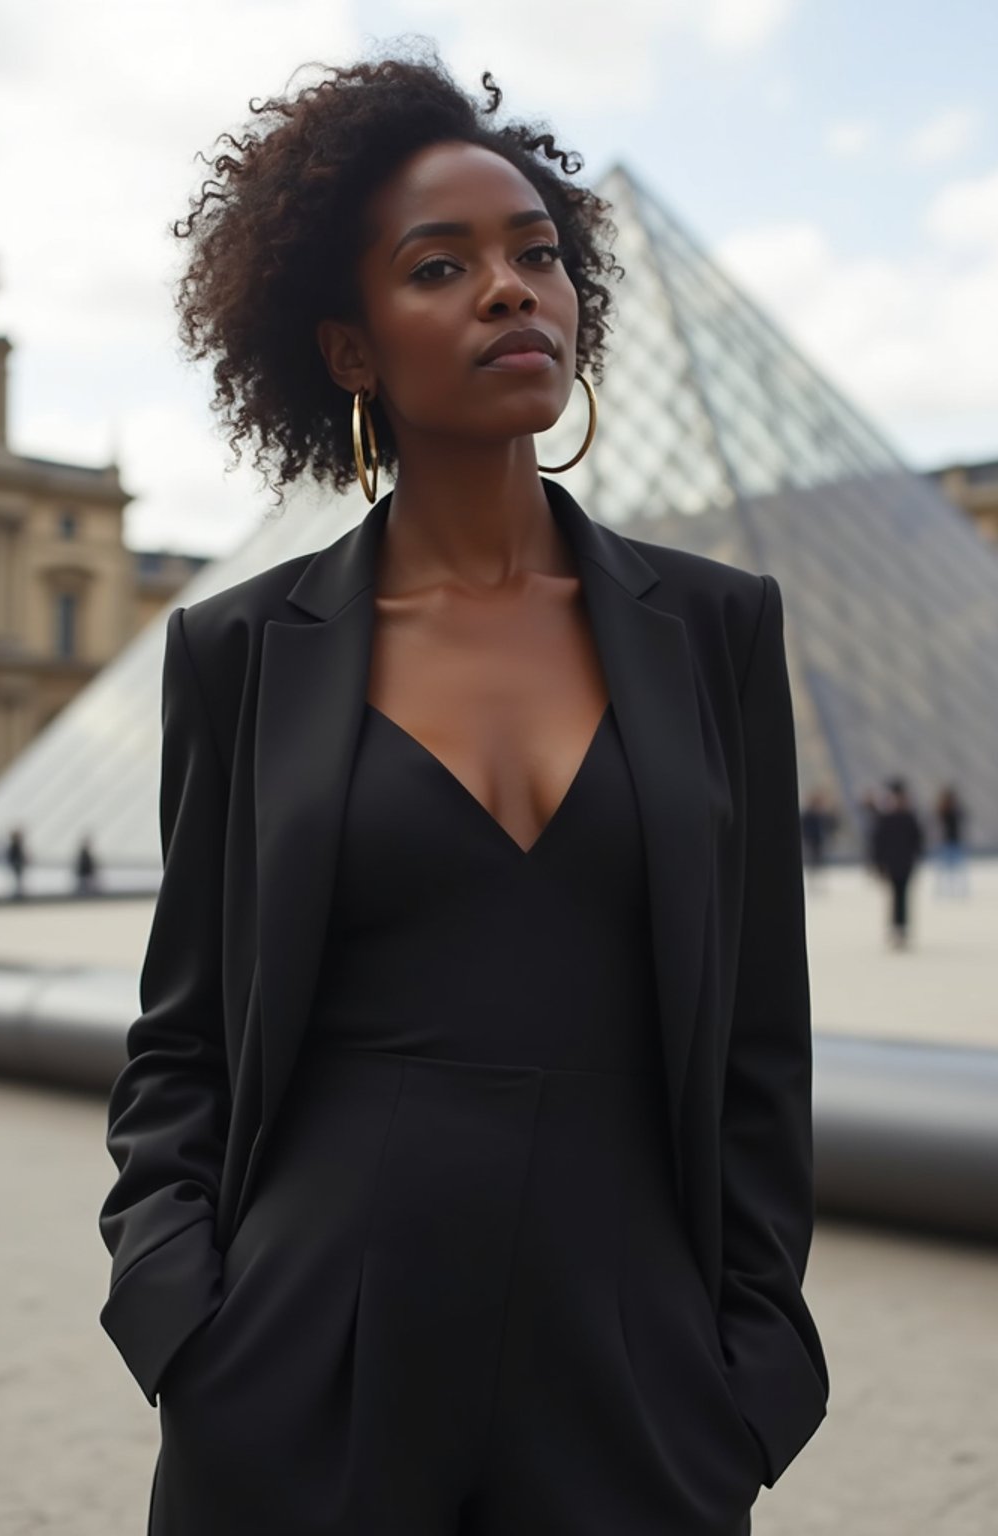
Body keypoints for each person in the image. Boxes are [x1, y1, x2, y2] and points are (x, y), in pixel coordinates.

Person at [97, 50, 828, 1536]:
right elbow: (181, 1045)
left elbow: (760, 1038)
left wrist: (754, 1375)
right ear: (350, 349)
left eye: (537, 254)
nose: (513, 291)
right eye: (443, 267)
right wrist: (183, 1322)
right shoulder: (238, 653)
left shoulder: (718, 630)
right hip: (300, 1360)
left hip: (641, 1376)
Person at [873, 777, 925, 948]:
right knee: (898, 895)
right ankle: (898, 927)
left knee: (900, 895)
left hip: (902, 862)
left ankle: (899, 927)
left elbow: (917, 840)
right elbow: (878, 842)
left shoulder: (902, 816)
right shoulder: (895, 817)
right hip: (896, 862)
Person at [934, 783, 969, 896]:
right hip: (947, 842)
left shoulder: (955, 811)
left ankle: (960, 891)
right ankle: (943, 891)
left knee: (958, 869)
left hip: (955, 842)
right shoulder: (944, 811)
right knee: (944, 869)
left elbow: (963, 817)